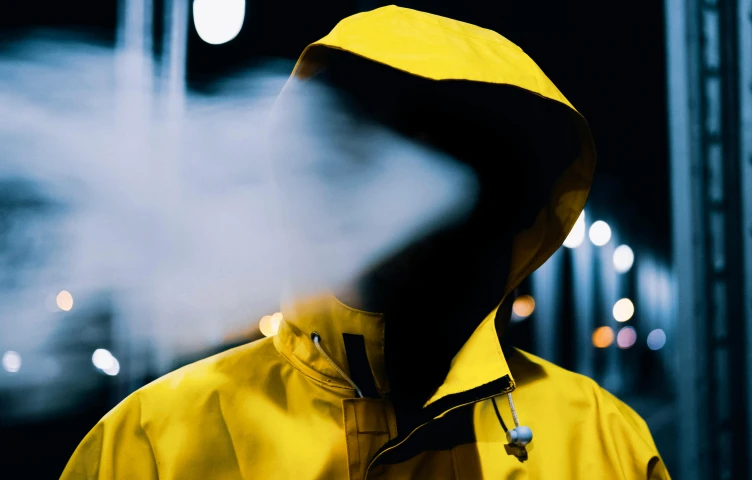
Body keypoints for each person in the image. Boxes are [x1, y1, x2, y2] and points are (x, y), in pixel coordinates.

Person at [62, 6, 670, 479]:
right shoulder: (154, 440)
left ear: (515, 210)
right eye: (375, 161)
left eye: (469, 169)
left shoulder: (601, 436)